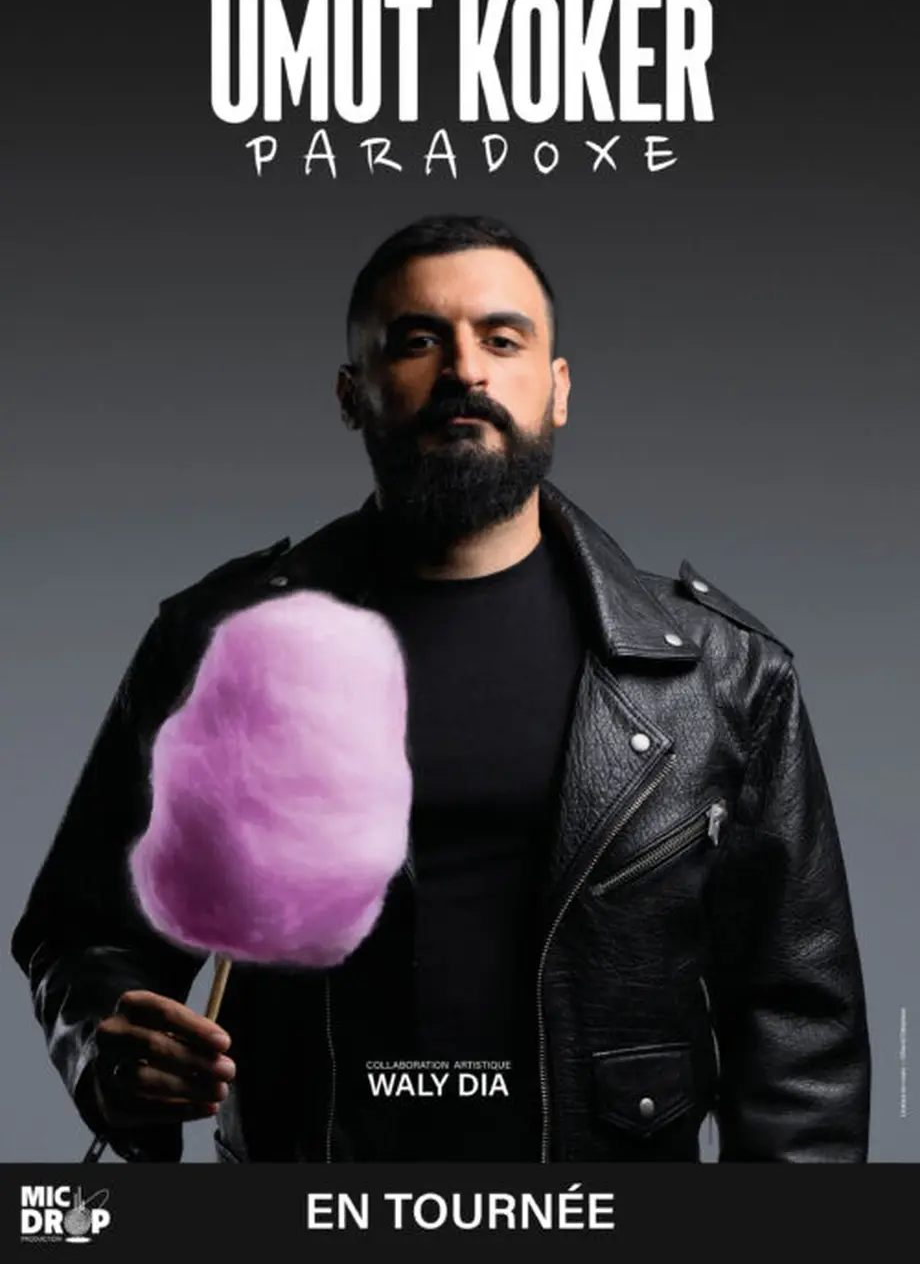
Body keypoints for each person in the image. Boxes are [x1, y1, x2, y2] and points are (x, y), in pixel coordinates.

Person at [11, 214, 871, 1163]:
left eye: (502, 340)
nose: (465, 371)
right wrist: (111, 1051)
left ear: (558, 388)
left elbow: (799, 1032)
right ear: (353, 394)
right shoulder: (216, 641)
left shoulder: (720, 673)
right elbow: (83, 933)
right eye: (419, 341)